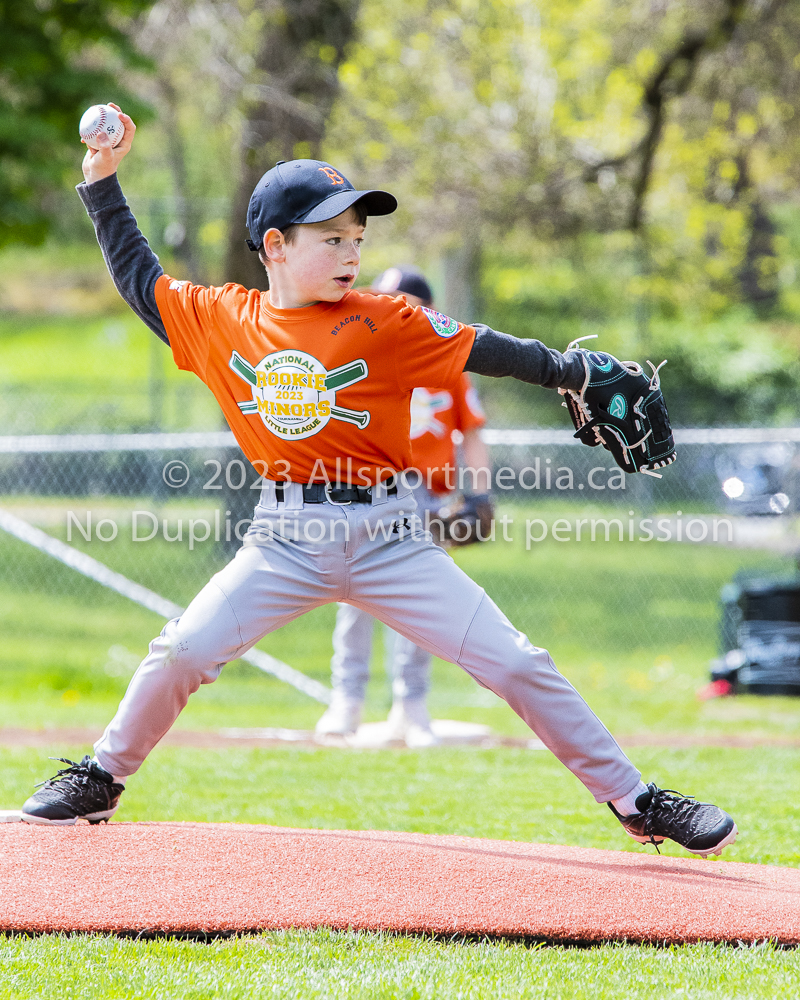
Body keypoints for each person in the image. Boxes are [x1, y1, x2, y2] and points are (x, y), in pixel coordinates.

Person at [21, 105, 738, 860]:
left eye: (357, 239)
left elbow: (486, 349)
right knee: (181, 652)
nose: (349, 253)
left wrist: (568, 369)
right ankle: (101, 777)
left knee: (519, 663)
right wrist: (100, 180)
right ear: (275, 244)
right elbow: (141, 278)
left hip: (394, 540)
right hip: (284, 541)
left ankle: (638, 800)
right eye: (330, 237)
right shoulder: (225, 320)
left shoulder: (386, 320)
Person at [316, 265, 494, 746]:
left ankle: (410, 705)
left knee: (418, 600)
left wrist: (479, 493)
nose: (388, 308)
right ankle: (347, 700)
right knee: (353, 594)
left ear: (427, 311)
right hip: (369, 487)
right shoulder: (361, 354)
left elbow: (471, 433)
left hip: (430, 495)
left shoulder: (448, 364)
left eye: (402, 302)